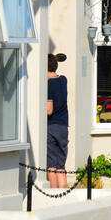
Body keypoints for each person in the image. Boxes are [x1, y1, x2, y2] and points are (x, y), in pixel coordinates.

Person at [46, 53, 69, 188]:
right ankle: (64, 197)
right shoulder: (63, 80)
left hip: (52, 126)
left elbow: (49, 110)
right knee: (61, 165)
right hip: (63, 126)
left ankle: (53, 195)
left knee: (51, 165)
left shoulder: (49, 85)